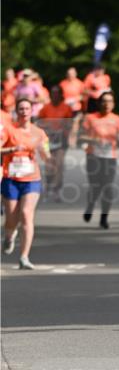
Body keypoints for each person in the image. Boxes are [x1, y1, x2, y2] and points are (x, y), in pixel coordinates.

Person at [1, 98, 50, 268]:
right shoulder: (9, 130)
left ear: (31, 111)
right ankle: (9, 236)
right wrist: (12, 149)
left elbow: (47, 157)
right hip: (11, 178)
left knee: (26, 214)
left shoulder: (39, 133)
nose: (24, 112)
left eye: (27, 108)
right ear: (16, 111)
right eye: (21, 109)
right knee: (11, 218)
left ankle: (24, 256)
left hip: (31, 179)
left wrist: (43, 150)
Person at [78, 90, 119, 228]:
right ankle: (90, 205)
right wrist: (94, 139)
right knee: (95, 186)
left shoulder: (117, 119)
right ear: (99, 103)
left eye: (110, 101)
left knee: (108, 187)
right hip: (93, 157)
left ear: (113, 104)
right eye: (104, 101)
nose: (107, 104)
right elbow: (80, 136)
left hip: (110, 157)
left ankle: (104, 218)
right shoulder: (90, 117)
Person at [37, 84, 74, 202]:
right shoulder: (45, 108)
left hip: (61, 139)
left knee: (59, 165)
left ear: (61, 95)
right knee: (49, 165)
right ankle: (48, 187)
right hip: (48, 139)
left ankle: (56, 190)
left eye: (57, 93)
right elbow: (39, 123)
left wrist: (64, 129)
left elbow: (70, 123)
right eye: (53, 93)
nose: (55, 95)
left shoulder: (66, 108)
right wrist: (47, 128)